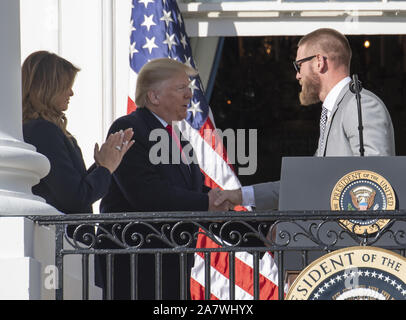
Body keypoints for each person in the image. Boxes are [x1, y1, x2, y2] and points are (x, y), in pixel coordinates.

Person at [214, 28, 395, 210]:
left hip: (356, 238)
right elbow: (308, 184)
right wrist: (240, 195)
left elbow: (376, 183)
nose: (297, 75)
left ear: (319, 62)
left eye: (299, 65)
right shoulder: (335, 112)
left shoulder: (360, 105)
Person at [96, 58, 230, 300]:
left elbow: (199, 194)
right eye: (181, 88)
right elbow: (146, 194)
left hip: (171, 268)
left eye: (189, 88)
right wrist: (206, 203)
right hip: (135, 269)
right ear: (154, 97)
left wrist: (257, 231)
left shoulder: (179, 139)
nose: (190, 95)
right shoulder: (129, 128)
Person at [22, 51, 134, 215]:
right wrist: (105, 168)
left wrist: (101, 165)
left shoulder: (42, 129)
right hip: (61, 237)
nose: (71, 93)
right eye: (67, 85)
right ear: (49, 88)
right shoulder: (43, 131)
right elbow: (76, 198)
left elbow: (71, 188)